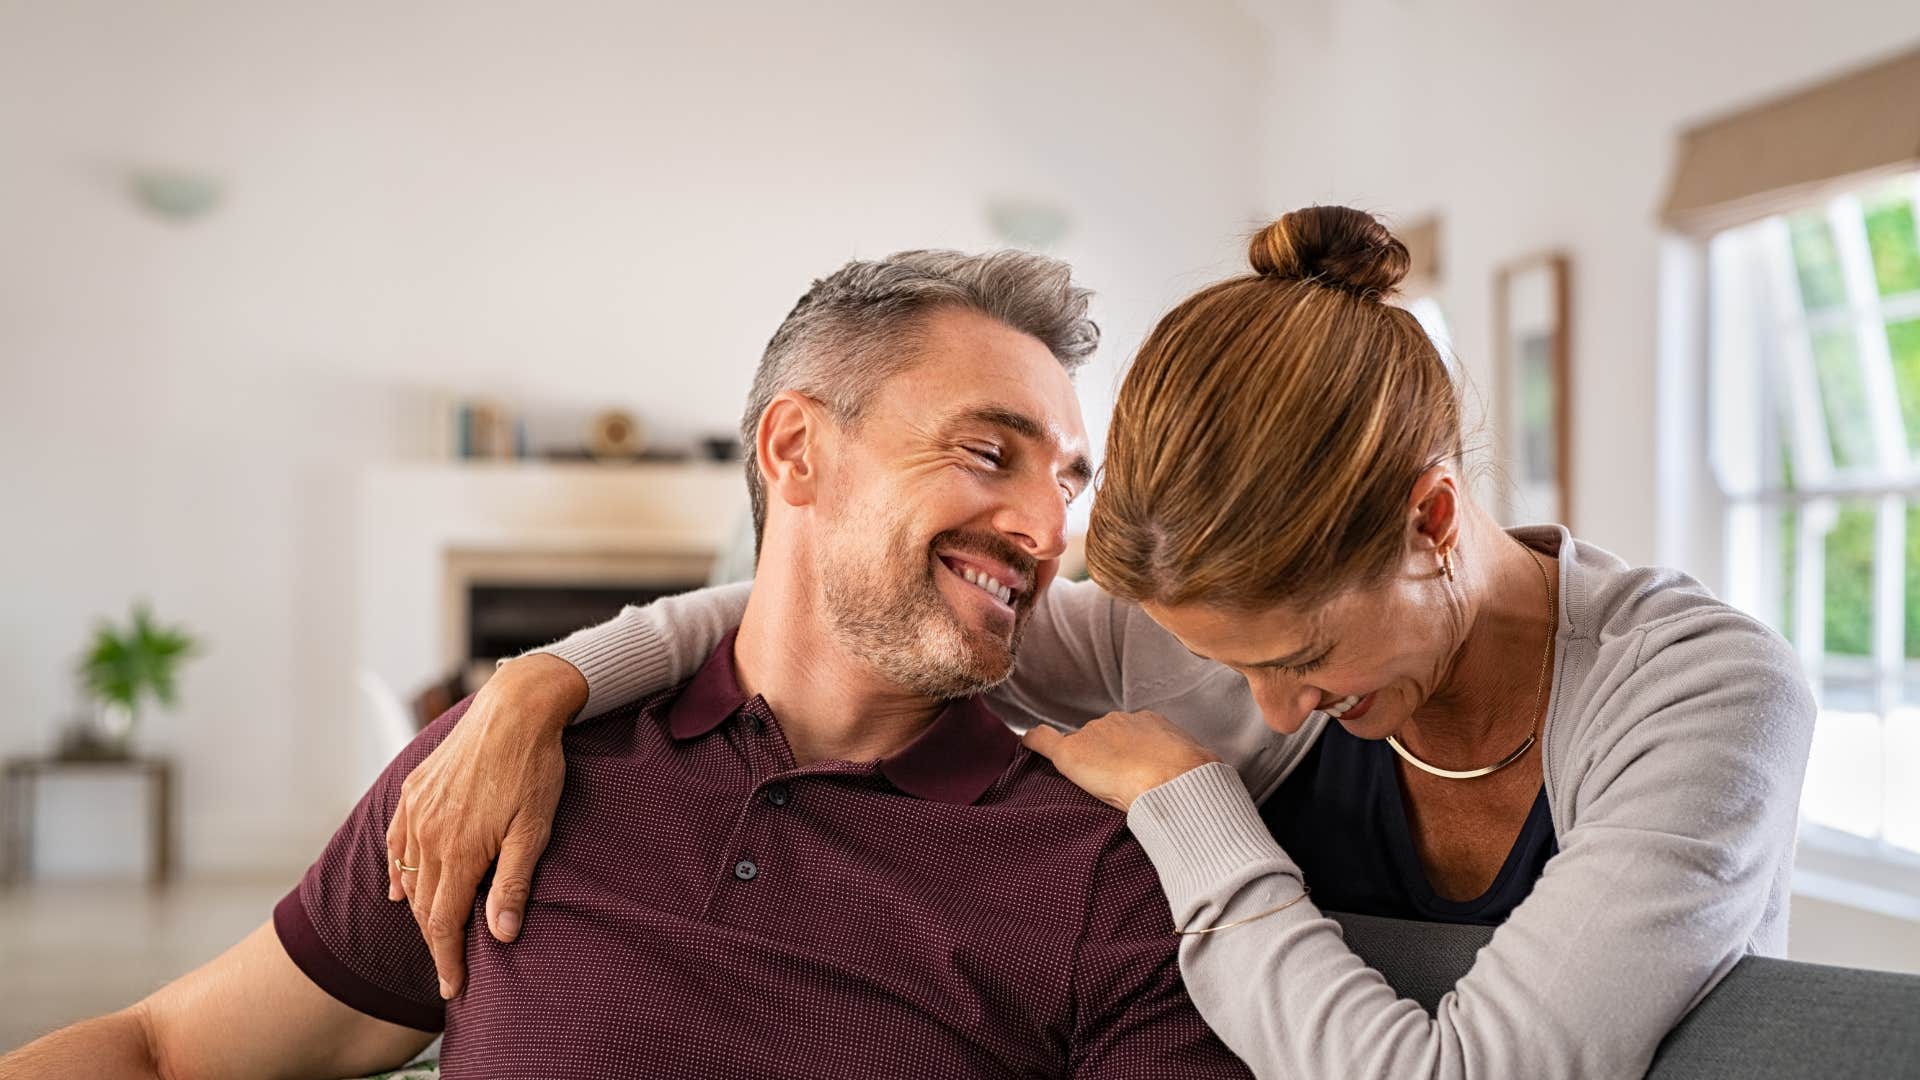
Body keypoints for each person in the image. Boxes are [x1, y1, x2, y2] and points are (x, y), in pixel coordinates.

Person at [389, 207, 1817, 1079]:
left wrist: (1190, 808)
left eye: (1303, 655)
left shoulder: (1702, 697)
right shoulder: (1170, 655)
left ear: (1432, 515)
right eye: (1222, 656)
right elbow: (842, 609)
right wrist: (544, 682)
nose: (1263, 699)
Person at [1, 251, 1249, 1079]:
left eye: (1066, 479)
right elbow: (164, 1051)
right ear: (796, 452)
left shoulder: (1098, 877)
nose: (1049, 529)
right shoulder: (512, 775)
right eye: (991, 454)